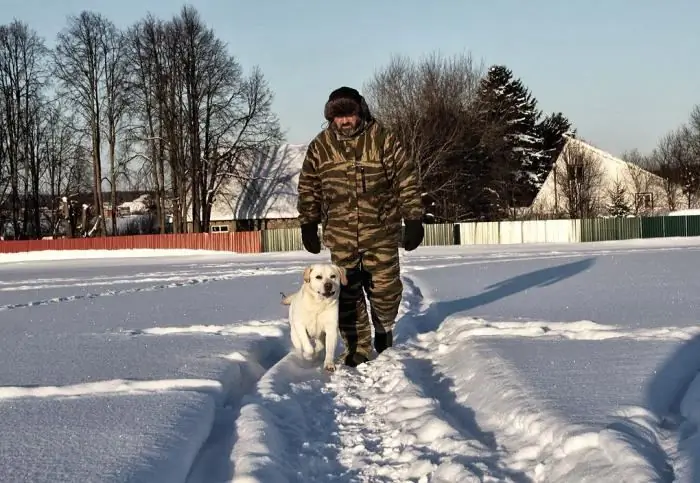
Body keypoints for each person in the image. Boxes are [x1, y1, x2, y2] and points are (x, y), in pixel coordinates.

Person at [296, 86, 425, 367]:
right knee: (347, 294)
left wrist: (413, 218)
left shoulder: (382, 139)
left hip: (381, 231)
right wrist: (308, 222)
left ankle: (383, 328)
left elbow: (405, 179)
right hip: (341, 236)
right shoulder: (320, 146)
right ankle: (357, 346)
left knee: (385, 290)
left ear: (360, 112)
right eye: (338, 116)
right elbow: (309, 187)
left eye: (350, 114)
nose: (345, 121)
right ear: (331, 118)